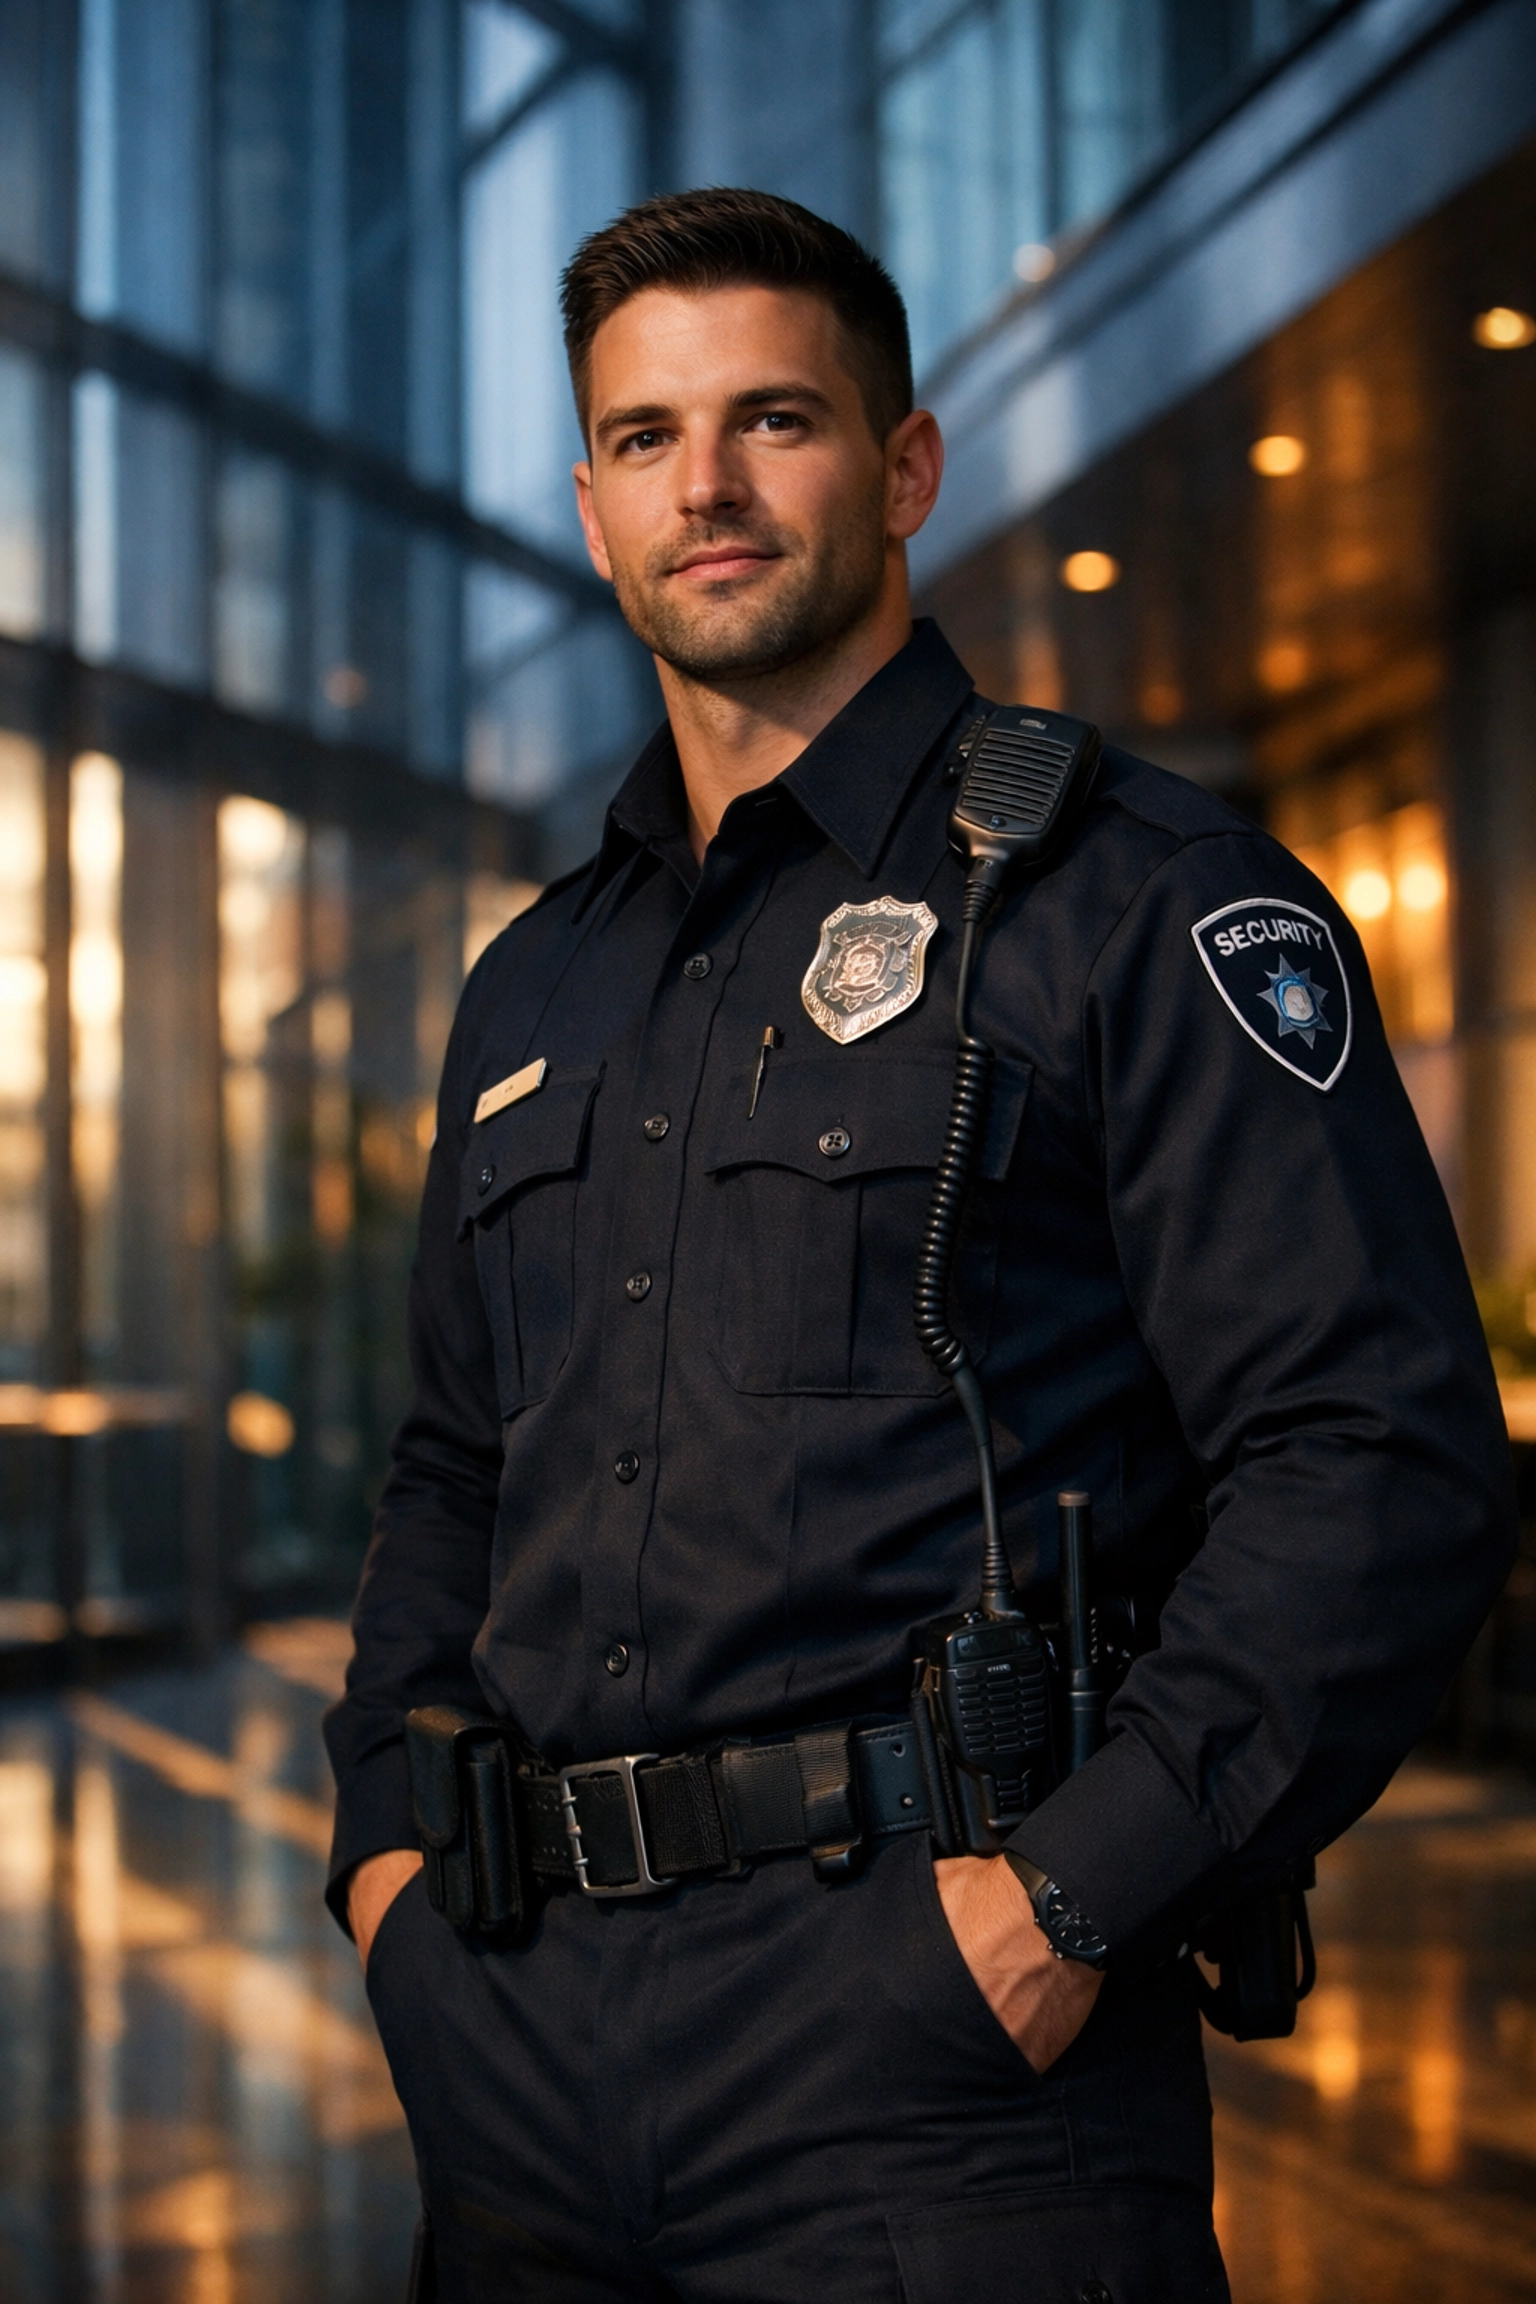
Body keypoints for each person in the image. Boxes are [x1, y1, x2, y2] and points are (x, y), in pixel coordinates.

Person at [325, 187, 1515, 2301]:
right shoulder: (531, 989)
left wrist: (1064, 1910)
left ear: (902, 468)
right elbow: (448, 1471)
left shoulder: (1133, 899)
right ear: (591, 510)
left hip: (939, 2080)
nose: (703, 486)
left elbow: (1378, 1454)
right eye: (640, 438)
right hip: (513, 2057)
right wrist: (390, 1885)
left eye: (771, 420)